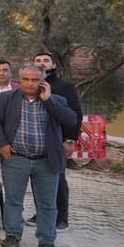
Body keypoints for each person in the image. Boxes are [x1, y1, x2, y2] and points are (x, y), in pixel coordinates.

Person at [0, 64, 78, 247]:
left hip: (46, 161)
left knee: (47, 204)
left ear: (43, 81)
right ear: (19, 80)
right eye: (26, 79)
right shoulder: (7, 98)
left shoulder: (56, 99)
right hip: (15, 159)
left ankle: (47, 241)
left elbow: (71, 120)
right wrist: (2, 144)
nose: (30, 83)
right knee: (13, 201)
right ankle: (12, 235)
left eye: (35, 80)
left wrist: (48, 102)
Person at [31, 52, 82, 232]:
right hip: (35, 141)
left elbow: (76, 114)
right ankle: (41, 214)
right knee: (37, 179)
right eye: (38, 60)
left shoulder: (65, 86)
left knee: (58, 179)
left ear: (53, 65)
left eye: (46, 60)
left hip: (57, 141)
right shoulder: (30, 83)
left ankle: (62, 218)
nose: (42, 63)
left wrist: (70, 140)